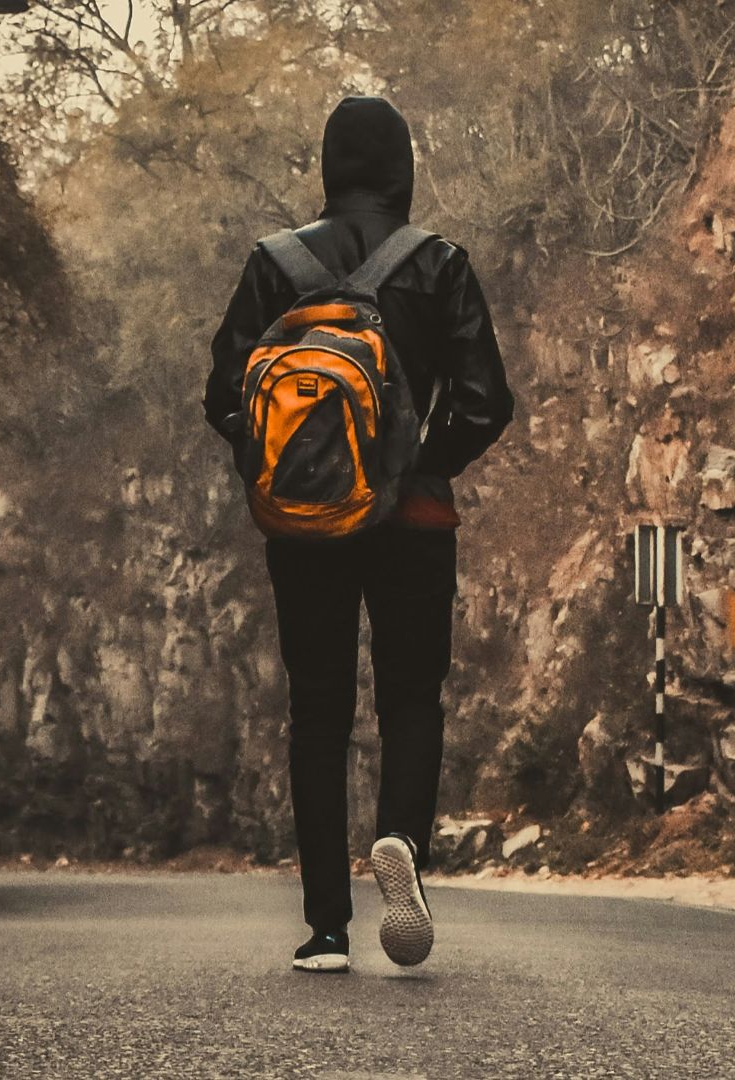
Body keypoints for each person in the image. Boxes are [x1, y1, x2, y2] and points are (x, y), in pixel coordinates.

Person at [204, 95, 516, 973]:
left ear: (329, 166)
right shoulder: (439, 264)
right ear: (403, 169)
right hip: (413, 518)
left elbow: (223, 397)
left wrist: (286, 474)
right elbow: (487, 401)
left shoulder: (273, 264)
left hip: (303, 524)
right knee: (411, 695)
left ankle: (326, 931)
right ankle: (401, 840)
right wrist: (415, 466)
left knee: (318, 710)